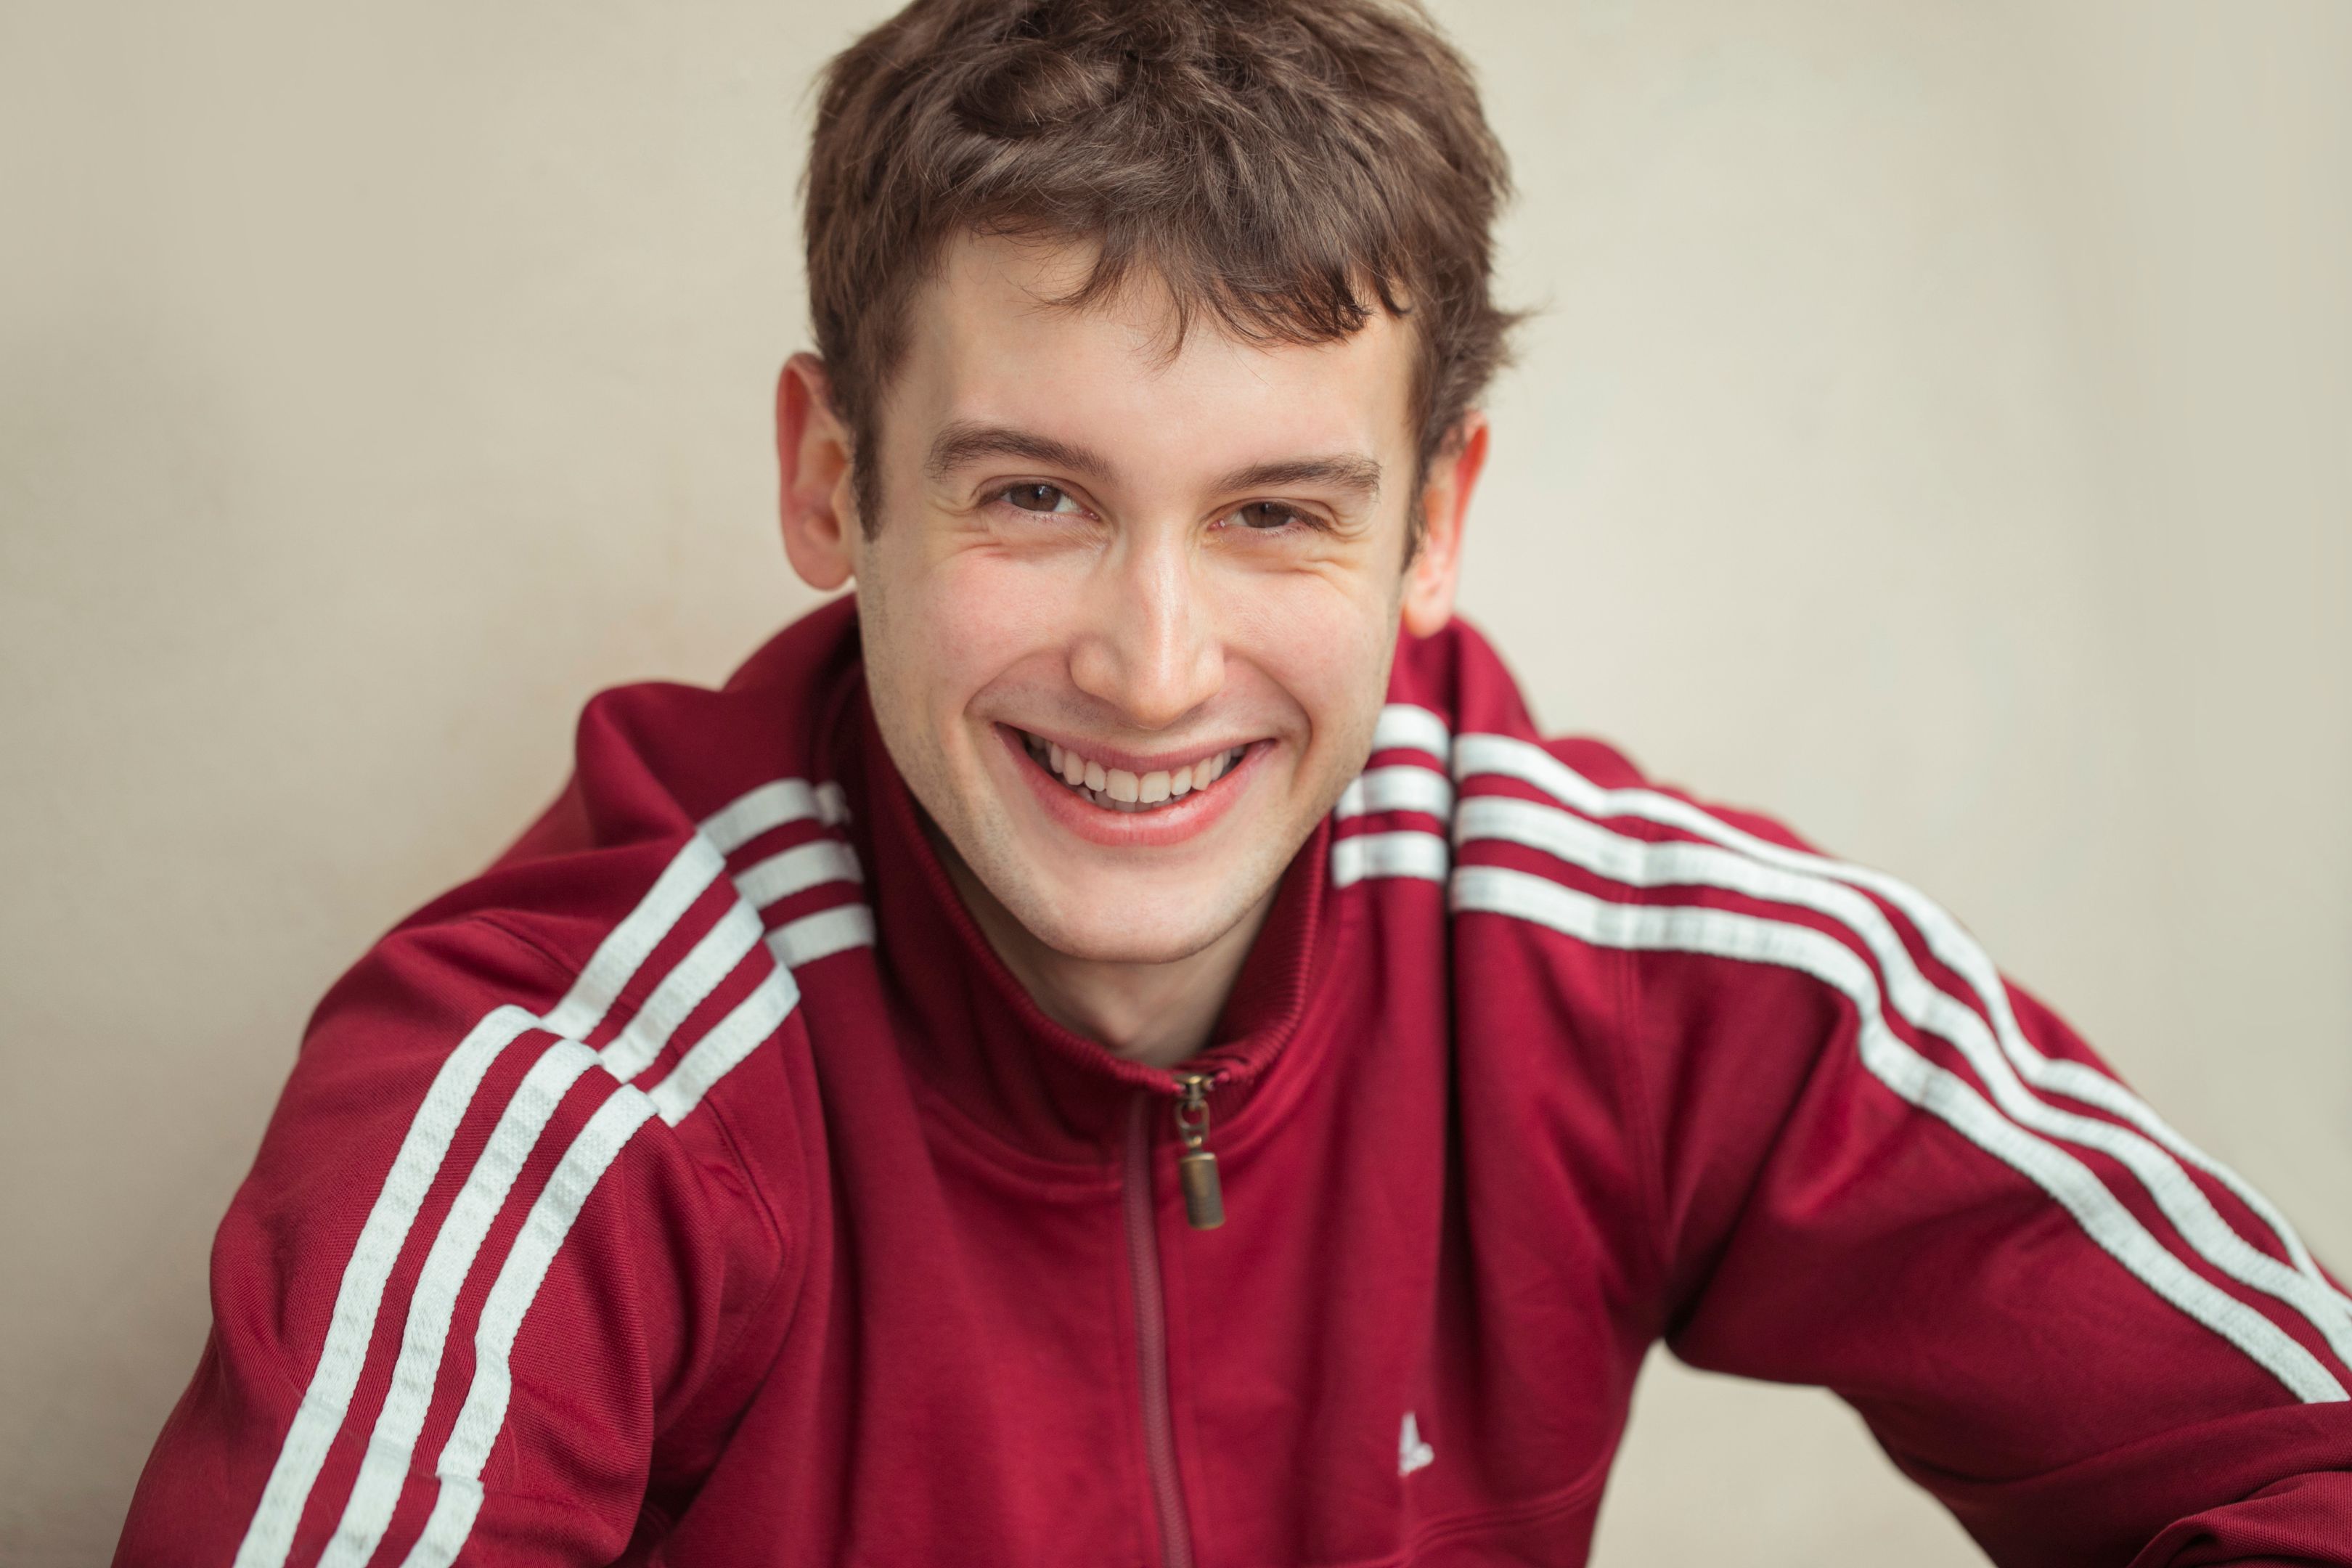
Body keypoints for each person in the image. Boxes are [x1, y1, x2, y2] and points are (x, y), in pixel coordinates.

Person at [115, 0, 2352, 1563]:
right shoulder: (561, 1095)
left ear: (1434, 526)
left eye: (1279, 512)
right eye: (1033, 497)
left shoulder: (1631, 969)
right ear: (830, 482)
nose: (1154, 669)